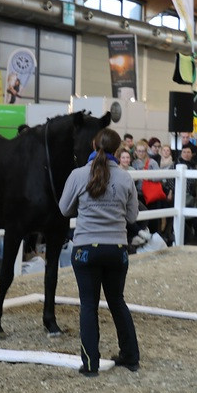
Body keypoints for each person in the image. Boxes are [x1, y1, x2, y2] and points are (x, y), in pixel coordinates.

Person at [58, 128, 141, 376]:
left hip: (86, 248)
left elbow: (64, 209)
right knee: (117, 301)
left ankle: (91, 364)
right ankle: (130, 356)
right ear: (118, 149)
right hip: (116, 248)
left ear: (94, 144)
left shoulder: (78, 175)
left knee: (88, 305)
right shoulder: (125, 178)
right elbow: (133, 216)